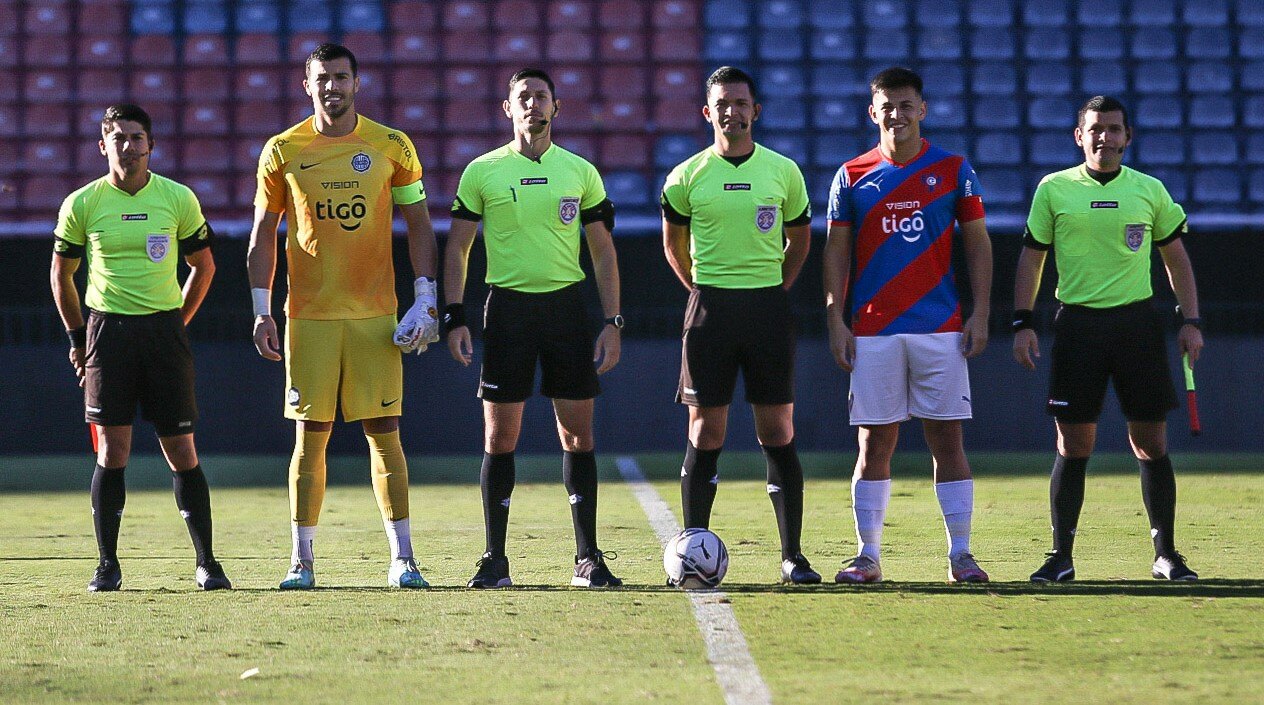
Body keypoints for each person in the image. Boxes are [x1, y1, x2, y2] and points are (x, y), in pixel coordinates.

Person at [246, 43, 440, 589]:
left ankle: (403, 559)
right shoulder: (282, 150)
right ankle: (301, 562)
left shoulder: (392, 145)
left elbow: (420, 224)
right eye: (321, 78)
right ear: (306, 86)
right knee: (311, 435)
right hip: (308, 315)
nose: (331, 86)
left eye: (339, 77)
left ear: (357, 82)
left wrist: (426, 297)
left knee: (385, 430)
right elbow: (263, 236)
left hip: (376, 315)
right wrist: (262, 311)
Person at [444, 68, 623, 589]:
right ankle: (494, 559)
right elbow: (457, 246)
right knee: (500, 437)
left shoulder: (580, 172)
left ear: (556, 107)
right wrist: (454, 314)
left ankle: (587, 559)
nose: (532, 105)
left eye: (540, 96)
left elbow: (603, 251)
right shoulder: (482, 172)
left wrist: (612, 321)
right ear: (508, 109)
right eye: (523, 97)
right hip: (508, 311)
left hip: (566, 309)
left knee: (578, 434)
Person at [1014, 95, 1204, 582]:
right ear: (1079, 136)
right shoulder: (1054, 189)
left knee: (1150, 443)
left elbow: (1175, 257)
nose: (1105, 137)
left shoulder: (1149, 190)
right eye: (1096, 129)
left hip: (1136, 326)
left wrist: (1191, 320)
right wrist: (1023, 321)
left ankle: (1166, 554)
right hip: (1078, 326)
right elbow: (1033, 258)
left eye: (1114, 129)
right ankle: (1061, 556)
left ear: (1128, 137)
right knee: (1074, 443)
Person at [822, 66, 993, 584]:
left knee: (947, 441)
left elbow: (978, 243)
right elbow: (836, 251)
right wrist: (835, 318)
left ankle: (961, 554)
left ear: (922, 109)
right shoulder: (851, 175)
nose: (897, 114)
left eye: (906, 105)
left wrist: (981, 312)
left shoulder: (954, 169)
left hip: (940, 327)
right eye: (887, 106)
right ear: (872, 113)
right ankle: (867, 555)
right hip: (873, 330)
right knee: (873, 443)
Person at [50, 103, 230, 592]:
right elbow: (61, 275)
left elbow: (204, 266)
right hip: (108, 335)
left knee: (182, 451)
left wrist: (177, 321)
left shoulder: (177, 198)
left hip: (163, 335)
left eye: (136, 138)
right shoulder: (82, 204)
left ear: (151, 145)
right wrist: (75, 336)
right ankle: (107, 565)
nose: (128, 147)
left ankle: (207, 563)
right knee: (112, 451)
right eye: (119, 138)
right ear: (102, 145)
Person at [661, 66, 821, 584]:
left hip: (767, 310)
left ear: (756, 110)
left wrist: (774, 287)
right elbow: (673, 245)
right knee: (706, 429)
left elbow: (799, 240)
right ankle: (691, 548)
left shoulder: (784, 172)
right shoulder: (686, 176)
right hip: (710, 312)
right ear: (708, 112)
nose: (732, 111)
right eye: (722, 103)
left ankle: (793, 556)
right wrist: (703, 290)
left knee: (777, 429)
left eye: (741, 102)